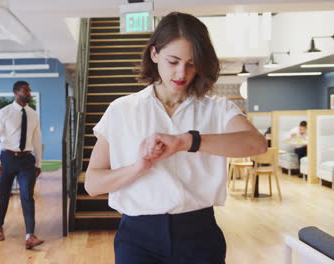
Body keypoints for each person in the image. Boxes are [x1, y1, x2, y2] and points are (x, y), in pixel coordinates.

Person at [85, 12, 267, 263]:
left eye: (191, 63)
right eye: (173, 61)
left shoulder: (217, 108)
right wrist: (139, 167)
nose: (182, 72)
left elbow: (257, 144)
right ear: (154, 54)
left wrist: (186, 141)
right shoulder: (121, 110)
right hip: (137, 239)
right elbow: (93, 184)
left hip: (199, 235)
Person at [0, 80, 44, 249]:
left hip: (27, 160)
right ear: (16, 92)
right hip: (7, 158)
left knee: (27, 195)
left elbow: (37, 139)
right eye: (25, 91)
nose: (28, 94)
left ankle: (30, 236)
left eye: (29, 91)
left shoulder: (33, 114)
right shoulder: (4, 113)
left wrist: (39, 162)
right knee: (3, 194)